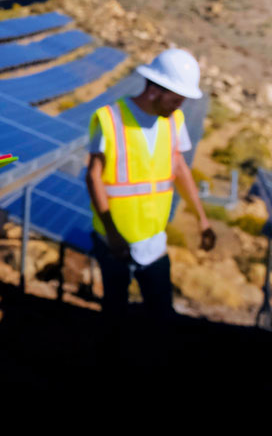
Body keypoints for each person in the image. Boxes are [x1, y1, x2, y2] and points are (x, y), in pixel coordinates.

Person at [86, 47, 216, 322]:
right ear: (155, 90)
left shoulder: (173, 121)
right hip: (113, 243)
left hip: (154, 243)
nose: (179, 106)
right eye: (176, 99)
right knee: (114, 314)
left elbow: (179, 168)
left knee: (161, 315)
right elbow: (93, 175)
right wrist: (112, 232)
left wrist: (202, 219)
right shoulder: (111, 119)